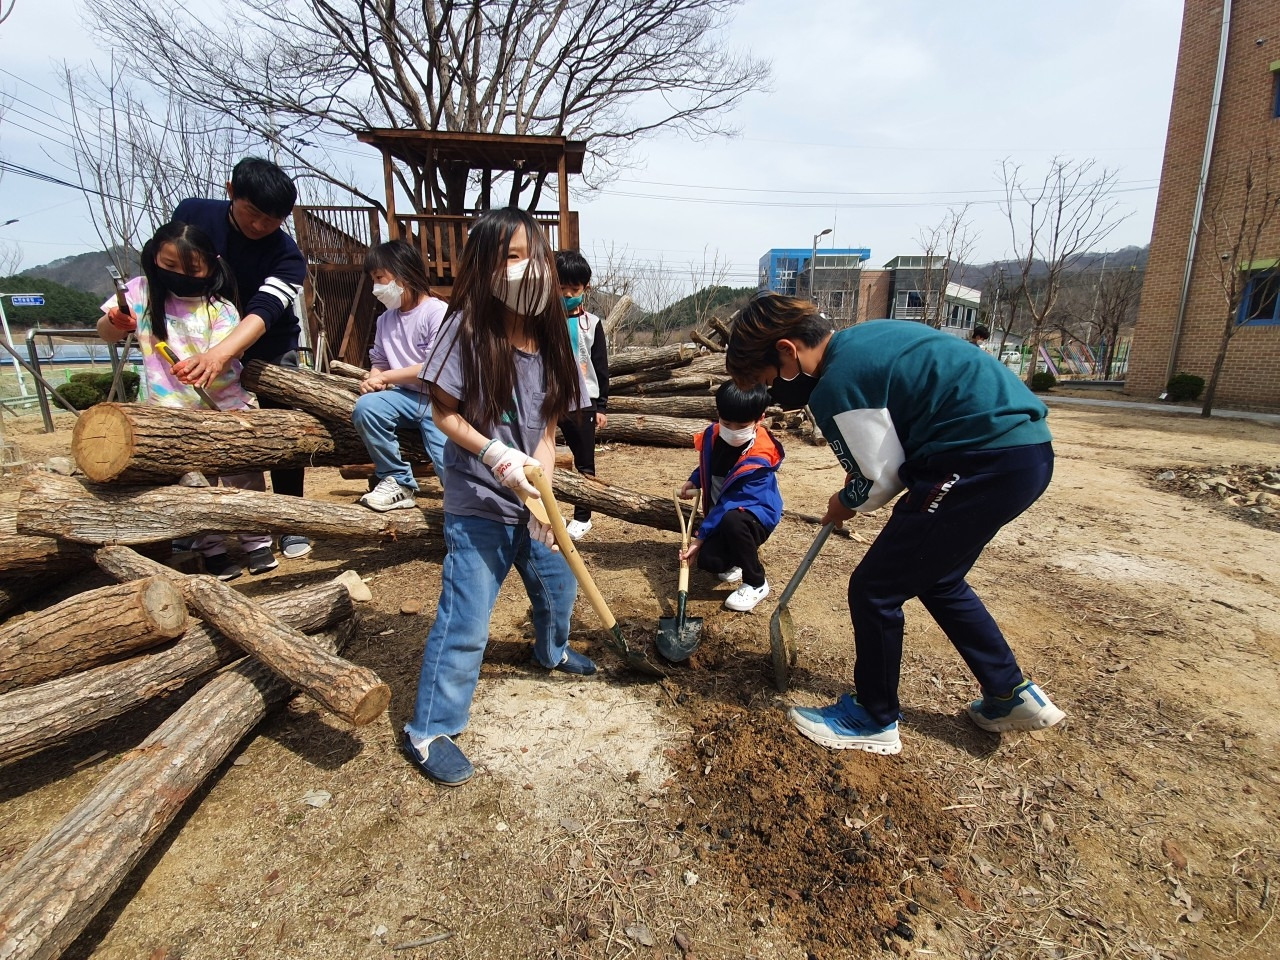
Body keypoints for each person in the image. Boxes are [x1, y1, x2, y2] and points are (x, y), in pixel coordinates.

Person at [725, 293, 1065, 756]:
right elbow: (893, 440)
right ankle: (1009, 693)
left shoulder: (836, 382)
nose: (774, 394)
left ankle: (873, 717)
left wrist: (846, 500)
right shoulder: (864, 338)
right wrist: (863, 480)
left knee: (875, 589)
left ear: (787, 350)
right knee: (938, 578)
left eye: (769, 379)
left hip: (978, 460)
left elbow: (879, 481)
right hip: (1026, 455)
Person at [403, 208, 594, 787]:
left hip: (532, 502)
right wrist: (494, 454)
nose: (525, 269)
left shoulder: (556, 336)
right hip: (479, 502)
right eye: (511, 257)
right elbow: (443, 413)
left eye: (533, 255)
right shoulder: (465, 328)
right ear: (484, 266)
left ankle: (551, 652)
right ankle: (430, 729)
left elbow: (550, 425)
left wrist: (542, 486)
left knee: (559, 589)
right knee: (467, 619)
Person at [96, 222, 277, 581]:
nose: (181, 275)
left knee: (243, 478)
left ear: (212, 265)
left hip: (224, 407)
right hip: (172, 414)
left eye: (193, 269)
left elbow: (227, 353)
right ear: (153, 259)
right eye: (170, 265)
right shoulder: (140, 293)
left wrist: (208, 362)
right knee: (194, 484)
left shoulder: (220, 307)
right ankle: (211, 548)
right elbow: (106, 331)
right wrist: (116, 321)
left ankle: (257, 541)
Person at [171, 157, 313, 561]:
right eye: (253, 212)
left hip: (267, 343)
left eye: (273, 219)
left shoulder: (287, 255)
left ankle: (289, 517)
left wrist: (223, 353)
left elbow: (264, 311)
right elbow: (171, 270)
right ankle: (197, 523)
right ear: (231, 191)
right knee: (194, 427)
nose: (260, 225)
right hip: (198, 336)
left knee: (283, 427)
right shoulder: (193, 216)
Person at [351, 240, 450, 510]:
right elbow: (380, 361)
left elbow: (433, 367)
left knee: (448, 465)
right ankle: (398, 480)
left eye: (379, 278)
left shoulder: (437, 312)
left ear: (403, 274)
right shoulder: (385, 320)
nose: (376, 287)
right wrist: (374, 379)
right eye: (373, 280)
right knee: (366, 407)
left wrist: (385, 378)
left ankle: (465, 508)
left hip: (442, 402)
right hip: (404, 397)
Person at [678, 380, 784, 613]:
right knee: (710, 562)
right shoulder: (713, 436)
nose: (733, 431)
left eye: (742, 425)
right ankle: (738, 556)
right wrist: (694, 480)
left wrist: (700, 538)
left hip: (755, 516)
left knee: (733, 521)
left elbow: (731, 503)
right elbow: (708, 464)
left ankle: (756, 582)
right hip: (723, 514)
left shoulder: (760, 458)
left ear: (760, 419)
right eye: (727, 423)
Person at [555, 250, 609, 541]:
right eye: (561, 287)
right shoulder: (544, 322)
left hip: (584, 401)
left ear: (585, 288)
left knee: (584, 460)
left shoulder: (593, 324)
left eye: (573, 289)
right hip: (549, 398)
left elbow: (601, 366)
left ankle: (582, 516)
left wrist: (601, 406)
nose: (567, 294)